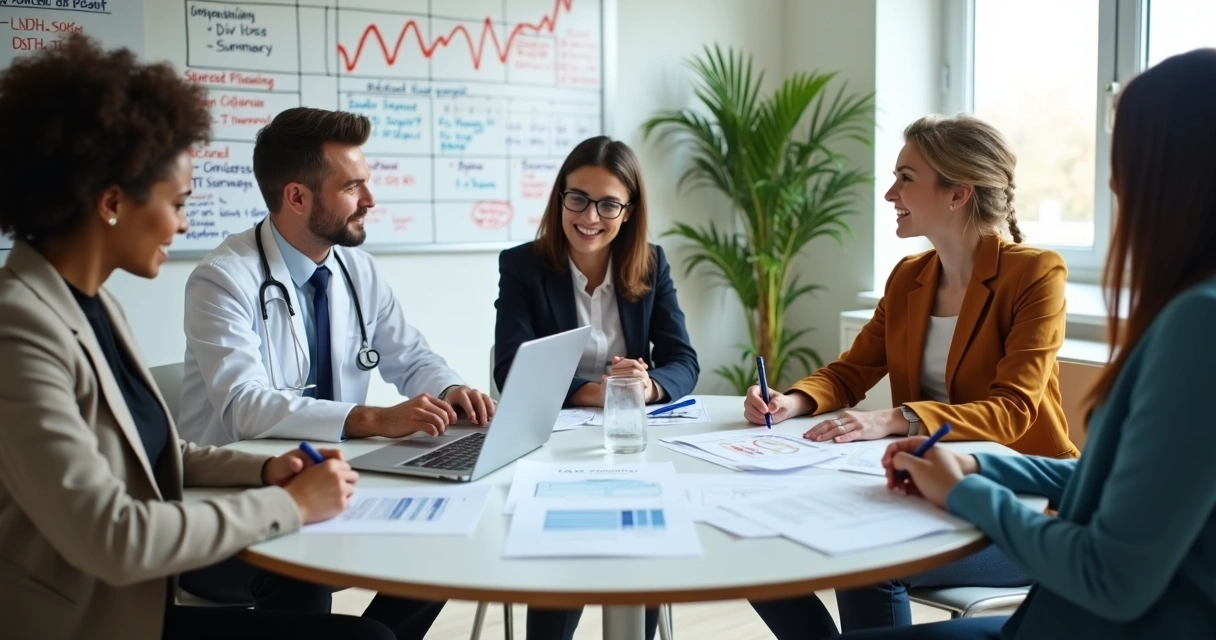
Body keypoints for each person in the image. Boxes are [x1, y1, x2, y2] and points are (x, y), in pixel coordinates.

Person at [0, 34, 395, 640]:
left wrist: (268, 471)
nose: (185, 225)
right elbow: (112, 537)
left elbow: (158, 455)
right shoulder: (19, 329)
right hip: (91, 619)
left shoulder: (91, 303)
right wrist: (290, 505)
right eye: (178, 203)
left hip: (138, 595)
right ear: (112, 202)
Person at [838, 46, 1216, 640]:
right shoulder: (1190, 310)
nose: (1113, 181)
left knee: (857, 561)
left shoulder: (1198, 322)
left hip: (1078, 614)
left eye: (1127, 155)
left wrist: (965, 488)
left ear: (1180, 172)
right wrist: (973, 463)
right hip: (1059, 585)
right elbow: (1108, 482)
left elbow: (1111, 572)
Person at [745, 114, 1078, 636]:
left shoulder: (1035, 274)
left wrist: (896, 418)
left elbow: (1013, 411)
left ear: (957, 194)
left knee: (867, 566)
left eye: (905, 178)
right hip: (929, 492)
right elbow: (851, 371)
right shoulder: (909, 277)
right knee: (762, 540)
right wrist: (793, 400)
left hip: (1026, 509)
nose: (889, 194)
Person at [175, 107, 491, 630]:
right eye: (352, 187)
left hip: (335, 489)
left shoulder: (357, 269)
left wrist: (450, 389)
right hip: (235, 512)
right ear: (297, 197)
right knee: (304, 576)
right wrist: (375, 418)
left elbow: (411, 357)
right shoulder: (222, 279)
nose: (370, 200)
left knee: (449, 532)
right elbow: (244, 406)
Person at [493, 135, 698, 638]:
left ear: (628, 212)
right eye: (578, 198)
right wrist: (602, 392)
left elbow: (683, 361)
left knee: (643, 540)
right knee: (563, 548)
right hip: (552, 443)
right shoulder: (522, 265)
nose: (590, 216)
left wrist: (646, 388)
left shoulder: (651, 263)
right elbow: (511, 368)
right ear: (560, 198)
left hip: (632, 444)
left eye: (609, 204)